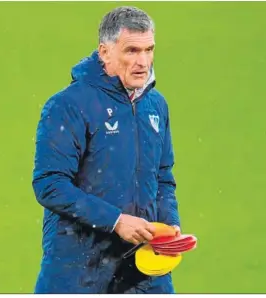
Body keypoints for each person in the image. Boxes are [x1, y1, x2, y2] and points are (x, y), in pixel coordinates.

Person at [31, 6, 181, 294]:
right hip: (80, 270)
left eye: (149, 50)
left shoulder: (156, 105)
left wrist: (168, 226)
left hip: (143, 272)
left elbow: (162, 177)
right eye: (132, 51)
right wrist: (115, 221)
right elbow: (49, 184)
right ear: (104, 52)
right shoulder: (68, 105)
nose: (143, 62)